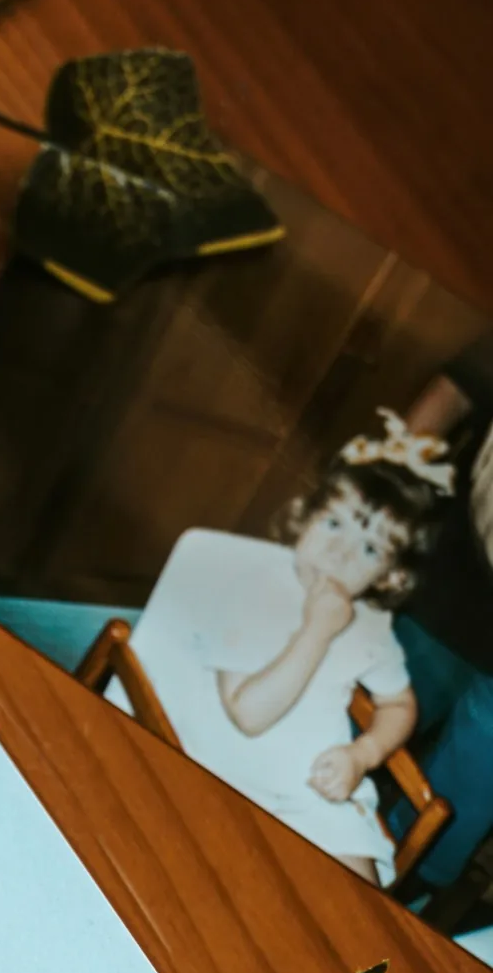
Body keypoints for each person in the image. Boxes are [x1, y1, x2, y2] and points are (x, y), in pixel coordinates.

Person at [126, 426, 446, 884]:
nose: (340, 553)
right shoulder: (253, 588)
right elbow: (248, 715)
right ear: (303, 517)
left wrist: (364, 753)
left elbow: (400, 703)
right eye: (335, 524)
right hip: (217, 765)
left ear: (390, 579)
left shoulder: (372, 622)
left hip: (308, 791)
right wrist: (317, 629)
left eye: (370, 548)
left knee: (356, 905)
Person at [391, 332, 493, 923]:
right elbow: (452, 393)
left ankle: (387, 905)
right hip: (449, 589)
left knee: (443, 819)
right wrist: (382, 490)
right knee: (338, 732)